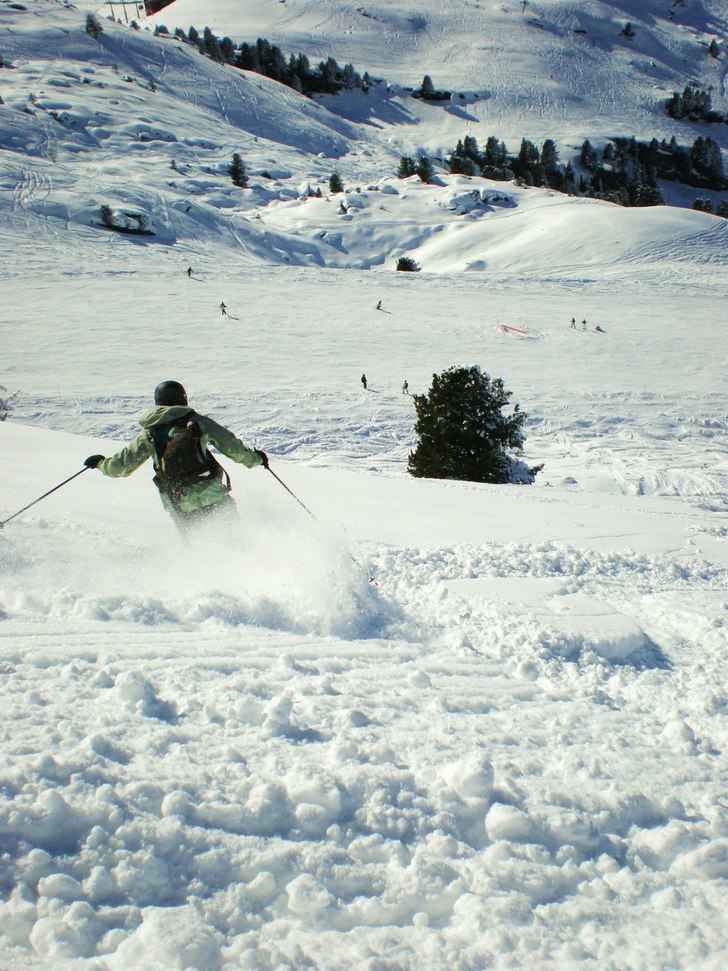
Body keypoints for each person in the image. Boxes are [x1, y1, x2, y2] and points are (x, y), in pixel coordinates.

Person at [84, 381, 267, 531]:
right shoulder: (195, 422)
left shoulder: (149, 433)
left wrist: (100, 463)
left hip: (178, 501)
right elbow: (232, 447)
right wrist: (257, 459)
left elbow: (120, 467)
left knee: (198, 550)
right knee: (235, 541)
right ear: (183, 398)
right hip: (211, 495)